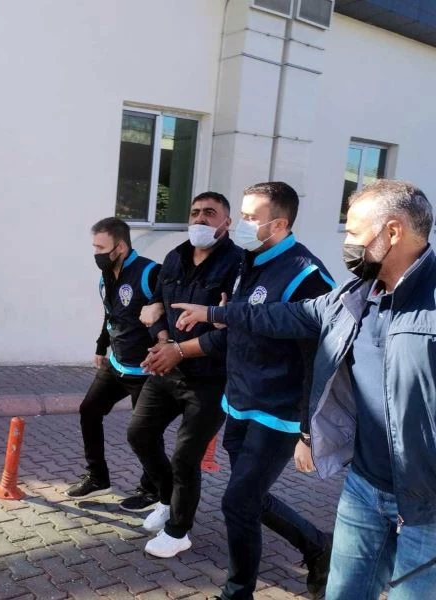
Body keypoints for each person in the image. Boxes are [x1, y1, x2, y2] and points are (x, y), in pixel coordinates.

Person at [174, 179, 436, 599]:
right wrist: (215, 313)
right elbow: (281, 316)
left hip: (426, 501)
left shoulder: (424, 303)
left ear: (392, 232)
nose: (347, 243)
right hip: (364, 485)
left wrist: (304, 431)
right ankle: (315, 550)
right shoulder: (352, 296)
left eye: (354, 232)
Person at [167, 182, 334, 599]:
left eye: (248, 217)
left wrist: (308, 429)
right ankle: (318, 547)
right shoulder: (250, 260)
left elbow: (320, 360)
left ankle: (237, 592)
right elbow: (239, 329)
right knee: (249, 497)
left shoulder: (307, 276)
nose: (239, 224)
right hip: (240, 403)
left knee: (238, 502)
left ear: (278, 224)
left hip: (278, 413)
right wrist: (192, 342)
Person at [125, 192, 242, 559]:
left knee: (186, 456)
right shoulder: (175, 256)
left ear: (227, 222)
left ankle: (178, 531)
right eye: (195, 212)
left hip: (211, 379)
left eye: (210, 213)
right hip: (168, 368)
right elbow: (155, 306)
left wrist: (178, 350)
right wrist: (162, 342)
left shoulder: (239, 265)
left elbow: (232, 330)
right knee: (139, 433)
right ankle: (166, 499)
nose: (200, 219)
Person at [65, 217, 160, 510]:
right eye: (94, 247)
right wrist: (101, 346)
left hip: (145, 370)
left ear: (120, 246)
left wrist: (164, 347)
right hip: (116, 364)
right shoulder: (106, 275)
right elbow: (111, 314)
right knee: (89, 411)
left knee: (145, 433)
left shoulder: (150, 272)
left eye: (101, 248)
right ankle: (98, 477)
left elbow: (166, 312)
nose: (96, 253)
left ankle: (152, 490)